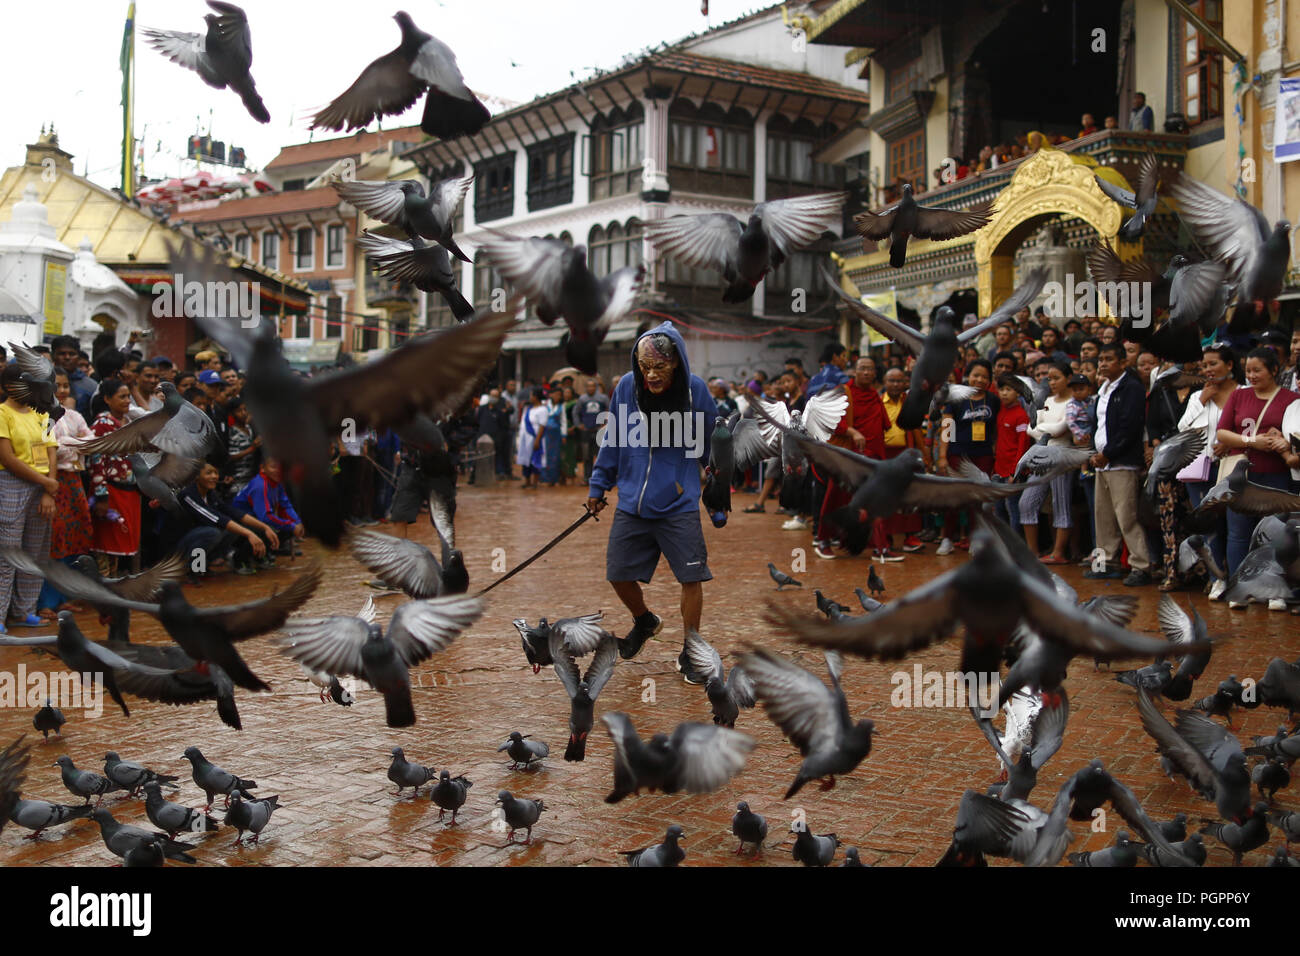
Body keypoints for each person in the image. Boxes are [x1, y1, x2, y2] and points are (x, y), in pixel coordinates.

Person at [586, 323, 716, 683]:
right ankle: (645, 620)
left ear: (675, 363)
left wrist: (719, 493)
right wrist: (599, 485)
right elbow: (612, 438)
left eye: (659, 366)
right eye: (645, 366)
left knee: (691, 578)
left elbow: (714, 446)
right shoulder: (627, 388)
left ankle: (692, 649)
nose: (651, 374)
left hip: (678, 502)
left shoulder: (695, 393)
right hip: (632, 502)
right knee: (618, 574)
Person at [1215, 347, 1299, 579]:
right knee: (1238, 533)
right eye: (1248, 371)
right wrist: (1252, 441)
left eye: (1257, 370)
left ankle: (1274, 589)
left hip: (1276, 475)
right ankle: (1240, 586)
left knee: (1275, 533)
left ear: (1273, 370)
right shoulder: (1239, 395)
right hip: (1241, 478)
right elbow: (1222, 433)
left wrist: (1280, 442)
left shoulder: (1291, 400)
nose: (1251, 375)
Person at [1085, 343, 1151, 586]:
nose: (1102, 363)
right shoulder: (1103, 389)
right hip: (1102, 462)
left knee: (1127, 517)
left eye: (1109, 359)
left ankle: (1141, 566)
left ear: (1123, 363)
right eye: (1100, 359)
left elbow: (1130, 427)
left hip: (1122, 462)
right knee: (1103, 518)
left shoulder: (1130, 388)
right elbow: (1099, 426)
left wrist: (1109, 453)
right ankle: (1105, 564)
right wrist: (1096, 453)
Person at [0, 363, 57, 630]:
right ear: (10, 386)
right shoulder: (2, 413)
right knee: (8, 555)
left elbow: (51, 451)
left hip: (42, 488)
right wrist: (45, 481)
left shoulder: (42, 413)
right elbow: (7, 458)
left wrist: (49, 489)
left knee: (34, 554)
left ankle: (23, 612)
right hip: (11, 484)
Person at [1178, 344, 1238, 598]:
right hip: (1201, 470)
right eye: (1204, 365)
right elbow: (1183, 429)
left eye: (1214, 364)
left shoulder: (1244, 393)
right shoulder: (1196, 397)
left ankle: (1239, 579)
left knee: (1236, 527)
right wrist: (1201, 401)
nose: (1208, 370)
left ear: (1230, 365)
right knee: (1208, 526)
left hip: (1233, 468)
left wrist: (1230, 442)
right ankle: (1217, 579)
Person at [819, 356, 887, 560]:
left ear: (875, 373)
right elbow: (831, 421)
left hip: (871, 457)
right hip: (847, 458)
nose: (866, 372)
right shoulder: (843, 393)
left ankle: (878, 546)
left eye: (870, 369)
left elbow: (881, 425)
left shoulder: (874, 395)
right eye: (862, 369)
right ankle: (823, 539)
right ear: (854, 371)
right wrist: (852, 432)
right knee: (835, 497)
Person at [165, 462, 276, 575]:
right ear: (196, 476)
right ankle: (194, 569)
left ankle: (208, 562)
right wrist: (249, 534)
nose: (214, 476)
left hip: (195, 538)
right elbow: (217, 518)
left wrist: (265, 527)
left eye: (216, 473)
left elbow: (233, 512)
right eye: (209, 473)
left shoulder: (210, 494)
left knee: (232, 528)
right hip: (176, 547)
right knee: (213, 532)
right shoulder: (187, 495)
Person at [936, 359, 999, 553]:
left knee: (978, 500)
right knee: (955, 498)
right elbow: (947, 427)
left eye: (984, 377)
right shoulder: (955, 399)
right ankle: (947, 538)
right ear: (967, 376)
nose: (979, 380)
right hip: (957, 454)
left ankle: (975, 540)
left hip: (983, 456)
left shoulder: (994, 400)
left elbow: (996, 431)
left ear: (990, 380)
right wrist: (942, 455)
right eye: (975, 375)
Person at [1019, 361, 1075, 564]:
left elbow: (1061, 429)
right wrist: (1045, 428)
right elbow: (1029, 428)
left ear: (1068, 378)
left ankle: (1059, 552)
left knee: (1061, 503)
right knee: (1026, 502)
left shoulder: (1073, 403)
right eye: (1049, 378)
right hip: (1041, 458)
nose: (1051, 382)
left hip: (1061, 456)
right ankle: (1032, 551)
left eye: (1056, 377)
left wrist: (1042, 427)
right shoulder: (1047, 401)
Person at [88, 379, 141, 575]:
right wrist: (101, 495)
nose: (127, 400)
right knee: (106, 543)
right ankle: (104, 589)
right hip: (110, 492)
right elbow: (96, 460)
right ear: (107, 399)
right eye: (122, 396)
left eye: (128, 396)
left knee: (119, 545)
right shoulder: (102, 425)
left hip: (130, 491)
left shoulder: (129, 423)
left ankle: (113, 584)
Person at [878, 366, 927, 552]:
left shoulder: (910, 402)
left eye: (900, 381)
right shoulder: (878, 401)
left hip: (907, 454)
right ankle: (887, 537)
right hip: (885, 454)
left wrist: (924, 453)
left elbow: (915, 429)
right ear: (885, 382)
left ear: (905, 383)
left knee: (909, 496)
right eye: (892, 381)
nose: (896, 384)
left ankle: (910, 537)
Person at [232, 458, 304, 557]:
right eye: (273, 467)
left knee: (289, 527)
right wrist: (291, 525)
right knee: (268, 529)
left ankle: (265, 553)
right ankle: (240, 559)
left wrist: (297, 522)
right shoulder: (260, 485)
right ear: (263, 468)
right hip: (242, 522)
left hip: (257, 518)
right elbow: (265, 517)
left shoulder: (277, 482)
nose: (278, 470)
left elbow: (286, 505)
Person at [992, 374, 1031, 536]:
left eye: (1009, 389)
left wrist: (1015, 471)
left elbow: (1023, 445)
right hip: (999, 469)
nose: (1004, 393)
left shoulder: (1021, 415)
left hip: (1012, 471)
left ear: (1018, 393)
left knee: (1013, 509)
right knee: (999, 509)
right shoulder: (1000, 412)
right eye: (1002, 389)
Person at [574, 379, 609, 480]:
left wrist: (606, 424)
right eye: (588, 386)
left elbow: (610, 410)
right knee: (586, 456)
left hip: (599, 430)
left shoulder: (603, 398)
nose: (590, 388)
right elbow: (575, 412)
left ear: (596, 387)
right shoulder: (582, 399)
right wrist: (578, 424)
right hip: (586, 430)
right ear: (586, 388)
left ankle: (602, 477)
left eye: (592, 386)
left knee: (601, 455)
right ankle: (587, 477)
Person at [516, 388, 548, 490]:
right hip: (525, 439)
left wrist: (537, 440)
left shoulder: (543, 410)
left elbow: (542, 426)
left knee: (535, 459)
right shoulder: (528, 409)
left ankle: (535, 483)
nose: (530, 398)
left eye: (531, 396)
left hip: (534, 438)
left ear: (536, 397)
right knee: (526, 460)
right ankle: (527, 481)